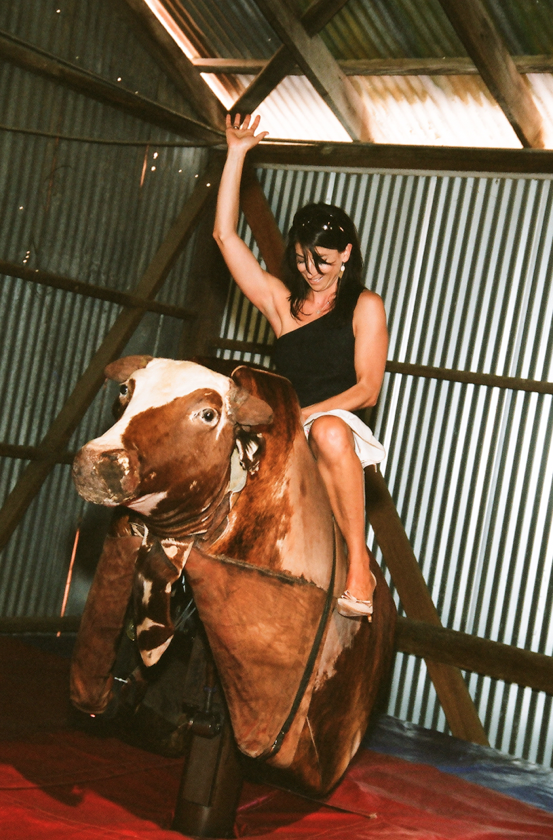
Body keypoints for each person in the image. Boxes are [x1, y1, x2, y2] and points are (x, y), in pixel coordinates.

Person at [213, 114, 388, 620]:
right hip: (282, 425)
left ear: (347, 256)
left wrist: (305, 413)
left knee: (330, 432)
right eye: (303, 259)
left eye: (325, 261)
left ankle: (359, 565)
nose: (312, 271)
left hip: (334, 419)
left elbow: (368, 389)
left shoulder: (364, 306)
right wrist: (237, 153)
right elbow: (226, 236)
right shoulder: (282, 306)